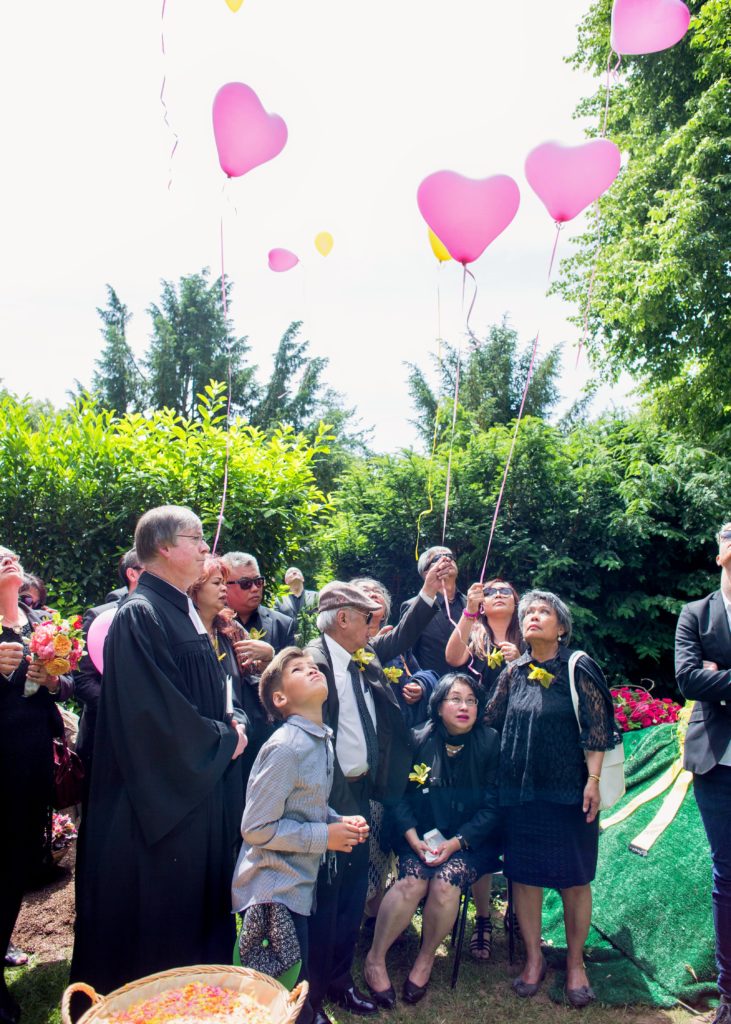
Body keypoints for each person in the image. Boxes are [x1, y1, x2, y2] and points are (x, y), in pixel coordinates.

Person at [71, 507, 248, 997]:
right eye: (198, 539)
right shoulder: (140, 613)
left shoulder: (180, 609)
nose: (207, 549)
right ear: (166, 547)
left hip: (196, 796)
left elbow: (204, 692)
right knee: (159, 935)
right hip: (159, 811)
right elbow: (153, 717)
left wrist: (232, 722)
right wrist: (223, 739)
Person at [484, 590, 618, 1007]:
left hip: (569, 792)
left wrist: (593, 780)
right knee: (524, 877)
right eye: (529, 612)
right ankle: (534, 959)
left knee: (574, 879)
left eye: (544, 612)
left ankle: (576, 964)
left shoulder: (578, 666)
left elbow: (598, 728)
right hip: (520, 794)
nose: (533, 617)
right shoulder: (513, 671)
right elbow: (491, 719)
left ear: (561, 627)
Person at [232, 647, 368, 1023]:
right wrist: (325, 836)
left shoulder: (320, 739)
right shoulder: (285, 747)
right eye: (297, 669)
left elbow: (305, 807)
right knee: (278, 1001)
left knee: (292, 994)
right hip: (271, 895)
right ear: (280, 698)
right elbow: (256, 827)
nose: (311, 669)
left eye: (312, 666)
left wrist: (339, 821)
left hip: (296, 888)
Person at [304, 583, 413, 1024]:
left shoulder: (360, 659)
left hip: (362, 790)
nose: (374, 625)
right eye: (367, 617)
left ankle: (339, 981)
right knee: (324, 899)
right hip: (329, 796)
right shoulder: (313, 662)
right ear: (343, 618)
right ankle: (309, 999)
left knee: (350, 896)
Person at [363, 672, 500, 1007]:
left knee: (444, 884)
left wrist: (456, 843)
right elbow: (397, 796)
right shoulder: (417, 738)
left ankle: (425, 959)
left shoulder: (490, 742)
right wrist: (413, 839)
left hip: (469, 841)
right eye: (456, 699)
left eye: (471, 701)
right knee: (413, 882)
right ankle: (375, 959)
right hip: (420, 836)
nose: (464, 707)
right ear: (438, 706)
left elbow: (494, 805)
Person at [0, 545, 73, 1024]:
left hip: (30, 760)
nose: (8, 559)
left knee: (17, 863)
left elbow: (68, 686)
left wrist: (52, 681)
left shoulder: (39, 621)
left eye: (11, 556)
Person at [444, 576, 524, 960]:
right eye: (490, 591)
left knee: (518, 831)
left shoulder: (527, 640)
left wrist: (519, 662)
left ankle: (518, 914)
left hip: (521, 746)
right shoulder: (475, 637)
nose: (497, 595)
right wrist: (468, 611)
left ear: (517, 601)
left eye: (505, 591)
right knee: (482, 829)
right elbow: (451, 658)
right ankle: (483, 918)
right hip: (482, 747)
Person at [675, 522, 731, 1024]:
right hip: (718, 762)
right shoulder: (696, 613)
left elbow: (709, 678)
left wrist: (720, 676)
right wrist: (705, 677)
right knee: (727, 875)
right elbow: (688, 679)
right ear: (720, 554)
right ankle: (730, 996)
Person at [189, 555, 269, 788]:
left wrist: (269, 656)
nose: (224, 588)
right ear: (194, 588)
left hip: (238, 737)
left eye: (225, 582)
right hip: (199, 742)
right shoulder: (183, 631)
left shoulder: (229, 629)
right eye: (216, 583)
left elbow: (255, 673)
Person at [74, 548, 143, 781]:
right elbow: (82, 679)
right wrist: (121, 707)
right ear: (132, 574)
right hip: (103, 733)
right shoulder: (99, 617)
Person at [400, 546, 467, 679]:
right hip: (433, 685)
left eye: (450, 556)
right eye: (438, 558)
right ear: (426, 573)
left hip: (472, 685)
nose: (446, 559)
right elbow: (407, 653)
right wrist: (420, 682)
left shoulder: (471, 604)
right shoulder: (414, 606)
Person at [222, 552, 296, 659]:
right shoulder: (210, 622)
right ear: (224, 585)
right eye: (245, 583)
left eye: (258, 581)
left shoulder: (282, 625)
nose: (255, 588)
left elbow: (292, 667)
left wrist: (270, 657)